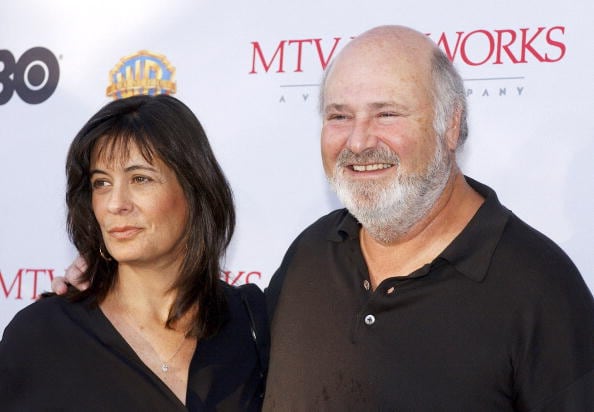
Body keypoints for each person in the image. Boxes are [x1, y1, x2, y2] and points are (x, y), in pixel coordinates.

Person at [52, 26, 594, 410]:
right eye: (339, 116)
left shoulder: (539, 288)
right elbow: (210, 333)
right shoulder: (313, 253)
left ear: (450, 127)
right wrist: (112, 279)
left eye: (386, 113)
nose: (358, 141)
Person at [0, 94, 268, 411]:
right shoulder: (41, 335)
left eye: (140, 179)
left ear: (195, 190)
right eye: (101, 183)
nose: (115, 204)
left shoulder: (252, 323)